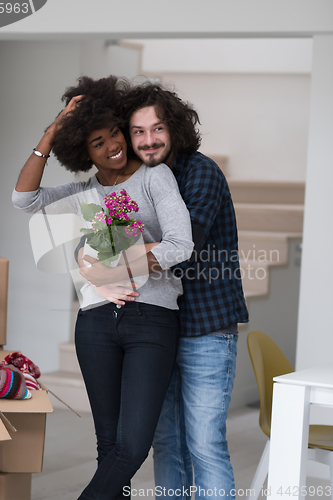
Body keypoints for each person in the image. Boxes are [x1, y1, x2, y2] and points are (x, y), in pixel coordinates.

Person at [12, 76, 194, 500]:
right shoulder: (81, 193)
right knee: (108, 447)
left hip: (151, 320)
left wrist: (108, 271)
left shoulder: (155, 177)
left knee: (131, 446)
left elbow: (180, 245)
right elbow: (24, 198)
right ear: (82, 152)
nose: (113, 144)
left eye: (115, 132)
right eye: (98, 141)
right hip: (94, 324)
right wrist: (53, 130)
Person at [79, 80, 249, 499]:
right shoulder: (141, 180)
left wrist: (103, 268)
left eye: (157, 129)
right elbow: (98, 239)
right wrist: (93, 264)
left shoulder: (200, 172)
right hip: (159, 324)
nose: (148, 139)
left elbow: (183, 248)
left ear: (173, 128)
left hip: (206, 326)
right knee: (166, 442)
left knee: (205, 444)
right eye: (137, 131)